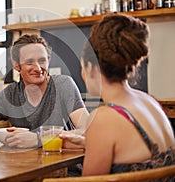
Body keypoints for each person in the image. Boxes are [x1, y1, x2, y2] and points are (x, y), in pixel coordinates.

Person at [60, 14, 175, 176]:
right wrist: (89, 143)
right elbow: (133, 151)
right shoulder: (149, 101)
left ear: (91, 68)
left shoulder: (104, 118)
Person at [0, 34, 89, 148]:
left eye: (42, 60)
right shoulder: (10, 94)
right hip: (27, 166)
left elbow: (88, 130)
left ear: (48, 61)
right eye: (30, 62)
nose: (38, 68)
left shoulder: (63, 85)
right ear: (16, 65)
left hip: (66, 169)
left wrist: (38, 139)